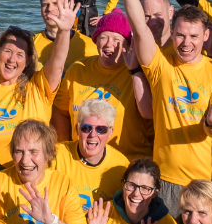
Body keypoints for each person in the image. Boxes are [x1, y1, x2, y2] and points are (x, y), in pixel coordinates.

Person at [116, 0, 212, 215]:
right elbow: (140, 28)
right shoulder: (161, 65)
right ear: (173, 31)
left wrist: (210, 121)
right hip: (166, 179)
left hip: (206, 181)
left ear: (205, 36)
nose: (186, 43)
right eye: (180, 35)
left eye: (193, 36)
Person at [0, 21, 70, 168]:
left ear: (28, 61)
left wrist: (64, 31)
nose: (12, 59)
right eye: (8, 51)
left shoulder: (37, 89)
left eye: (20, 54)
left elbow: (57, 63)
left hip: (32, 185)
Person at [54, 8, 151, 158]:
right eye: (104, 37)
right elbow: (61, 112)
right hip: (82, 158)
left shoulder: (137, 73)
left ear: (127, 45)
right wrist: (64, 151)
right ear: (96, 40)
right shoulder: (78, 69)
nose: (108, 44)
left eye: (117, 40)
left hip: (127, 159)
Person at [55, 97, 131, 212]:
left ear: (110, 132)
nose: (93, 135)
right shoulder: (57, 155)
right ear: (77, 129)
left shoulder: (122, 166)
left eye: (101, 129)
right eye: (86, 128)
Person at [33, 0, 98, 66]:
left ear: (69, 5)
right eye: (45, 5)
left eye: (56, 4)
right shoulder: (31, 44)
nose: (49, 9)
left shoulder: (89, 46)